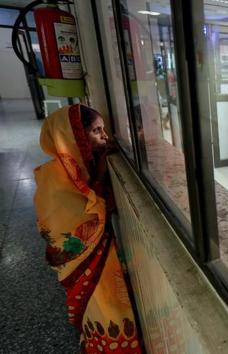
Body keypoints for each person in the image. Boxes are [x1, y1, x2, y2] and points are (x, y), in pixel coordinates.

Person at [34, 105, 142, 352]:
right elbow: (75, 223)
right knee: (105, 305)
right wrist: (101, 178)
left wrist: (101, 171)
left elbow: (93, 200)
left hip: (97, 253)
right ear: (76, 137)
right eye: (96, 130)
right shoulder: (55, 178)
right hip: (83, 259)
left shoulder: (80, 167)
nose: (105, 136)